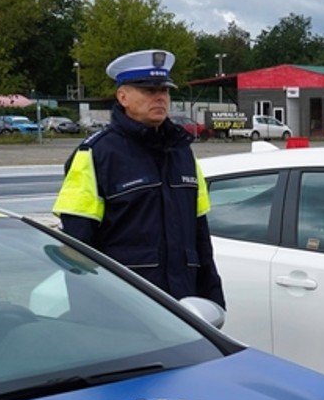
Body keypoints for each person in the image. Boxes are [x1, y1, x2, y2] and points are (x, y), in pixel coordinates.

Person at [53, 48, 225, 306]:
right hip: (124, 308)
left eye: (164, 90)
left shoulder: (182, 152)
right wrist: (86, 315)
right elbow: (76, 249)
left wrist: (213, 301)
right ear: (122, 97)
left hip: (183, 306)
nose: (160, 97)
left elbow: (200, 238)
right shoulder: (96, 154)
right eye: (149, 90)